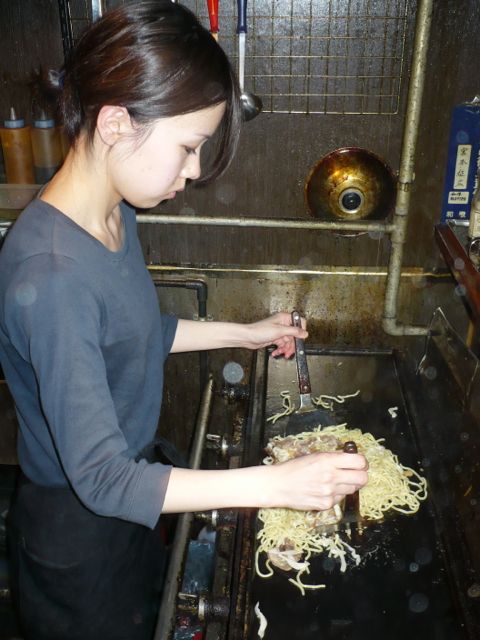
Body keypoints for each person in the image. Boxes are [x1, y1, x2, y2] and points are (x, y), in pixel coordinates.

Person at [0, 3, 368, 639]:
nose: (193, 171)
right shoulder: (52, 273)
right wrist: (276, 483)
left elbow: (137, 333)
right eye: (188, 147)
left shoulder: (113, 216)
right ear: (116, 122)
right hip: (80, 535)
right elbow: (105, 482)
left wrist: (244, 333)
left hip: (129, 504)